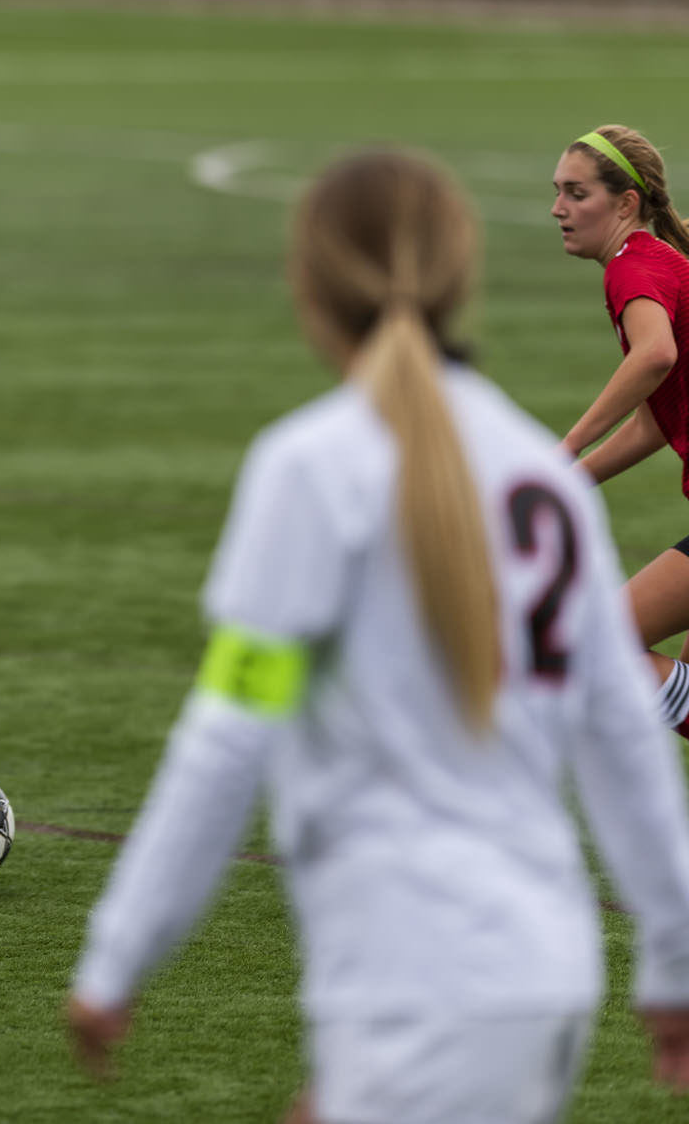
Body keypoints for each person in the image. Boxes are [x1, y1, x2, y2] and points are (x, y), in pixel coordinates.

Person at [66, 149, 689, 1123]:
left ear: (307, 288)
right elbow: (619, 736)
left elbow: (228, 733)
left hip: (409, 975)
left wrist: (116, 957)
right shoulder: (538, 476)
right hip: (544, 969)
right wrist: (669, 957)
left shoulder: (308, 469)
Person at [555, 125, 689, 737]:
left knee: (597, 649)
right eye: (558, 192)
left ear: (626, 203)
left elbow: (654, 355)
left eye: (576, 194)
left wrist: (572, 440)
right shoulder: (656, 262)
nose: (559, 209)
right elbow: (656, 424)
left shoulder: (633, 265)